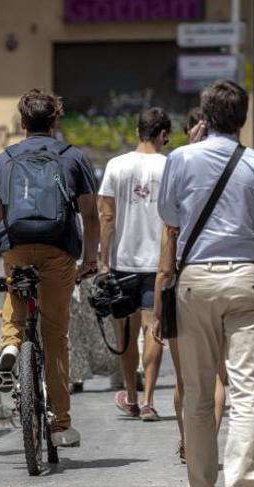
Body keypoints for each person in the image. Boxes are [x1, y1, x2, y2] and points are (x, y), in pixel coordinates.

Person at [156, 80, 254, 487]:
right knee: (247, 393)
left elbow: (169, 213)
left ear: (203, 118)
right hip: (248, 280)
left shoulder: (180, 159)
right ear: (243, 118)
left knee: (199, 394)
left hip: (196, 281)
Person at [0, 88, 100, 447]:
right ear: (55, 120)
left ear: (22, 122)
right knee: (55, 334)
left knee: (16, 291)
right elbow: (90, 215)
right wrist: (91, 259)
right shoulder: (73, 158)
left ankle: (11, 347)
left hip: (16, 248)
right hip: (59, 249)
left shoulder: (5, 159)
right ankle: (60, 425)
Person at [157, 108, 230, 463]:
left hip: (184, 287)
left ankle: (188, 442)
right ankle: (208, 443)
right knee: (218, 374)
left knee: (185, 378)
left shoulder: (179, 186)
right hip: (224, 281)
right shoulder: (232, 174)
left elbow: (165, 264)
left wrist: (157, 310)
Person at [97, 107, 171, 421]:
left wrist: (103, 259)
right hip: (158, 264)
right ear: (163, 134)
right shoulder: (170, 166)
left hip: (122, 264)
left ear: (138, 131)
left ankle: (130, 394)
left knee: (125, 334)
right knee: (154, 330)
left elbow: (107, 216)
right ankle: (150, 400)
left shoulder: (116, 165)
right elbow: (173, 220)